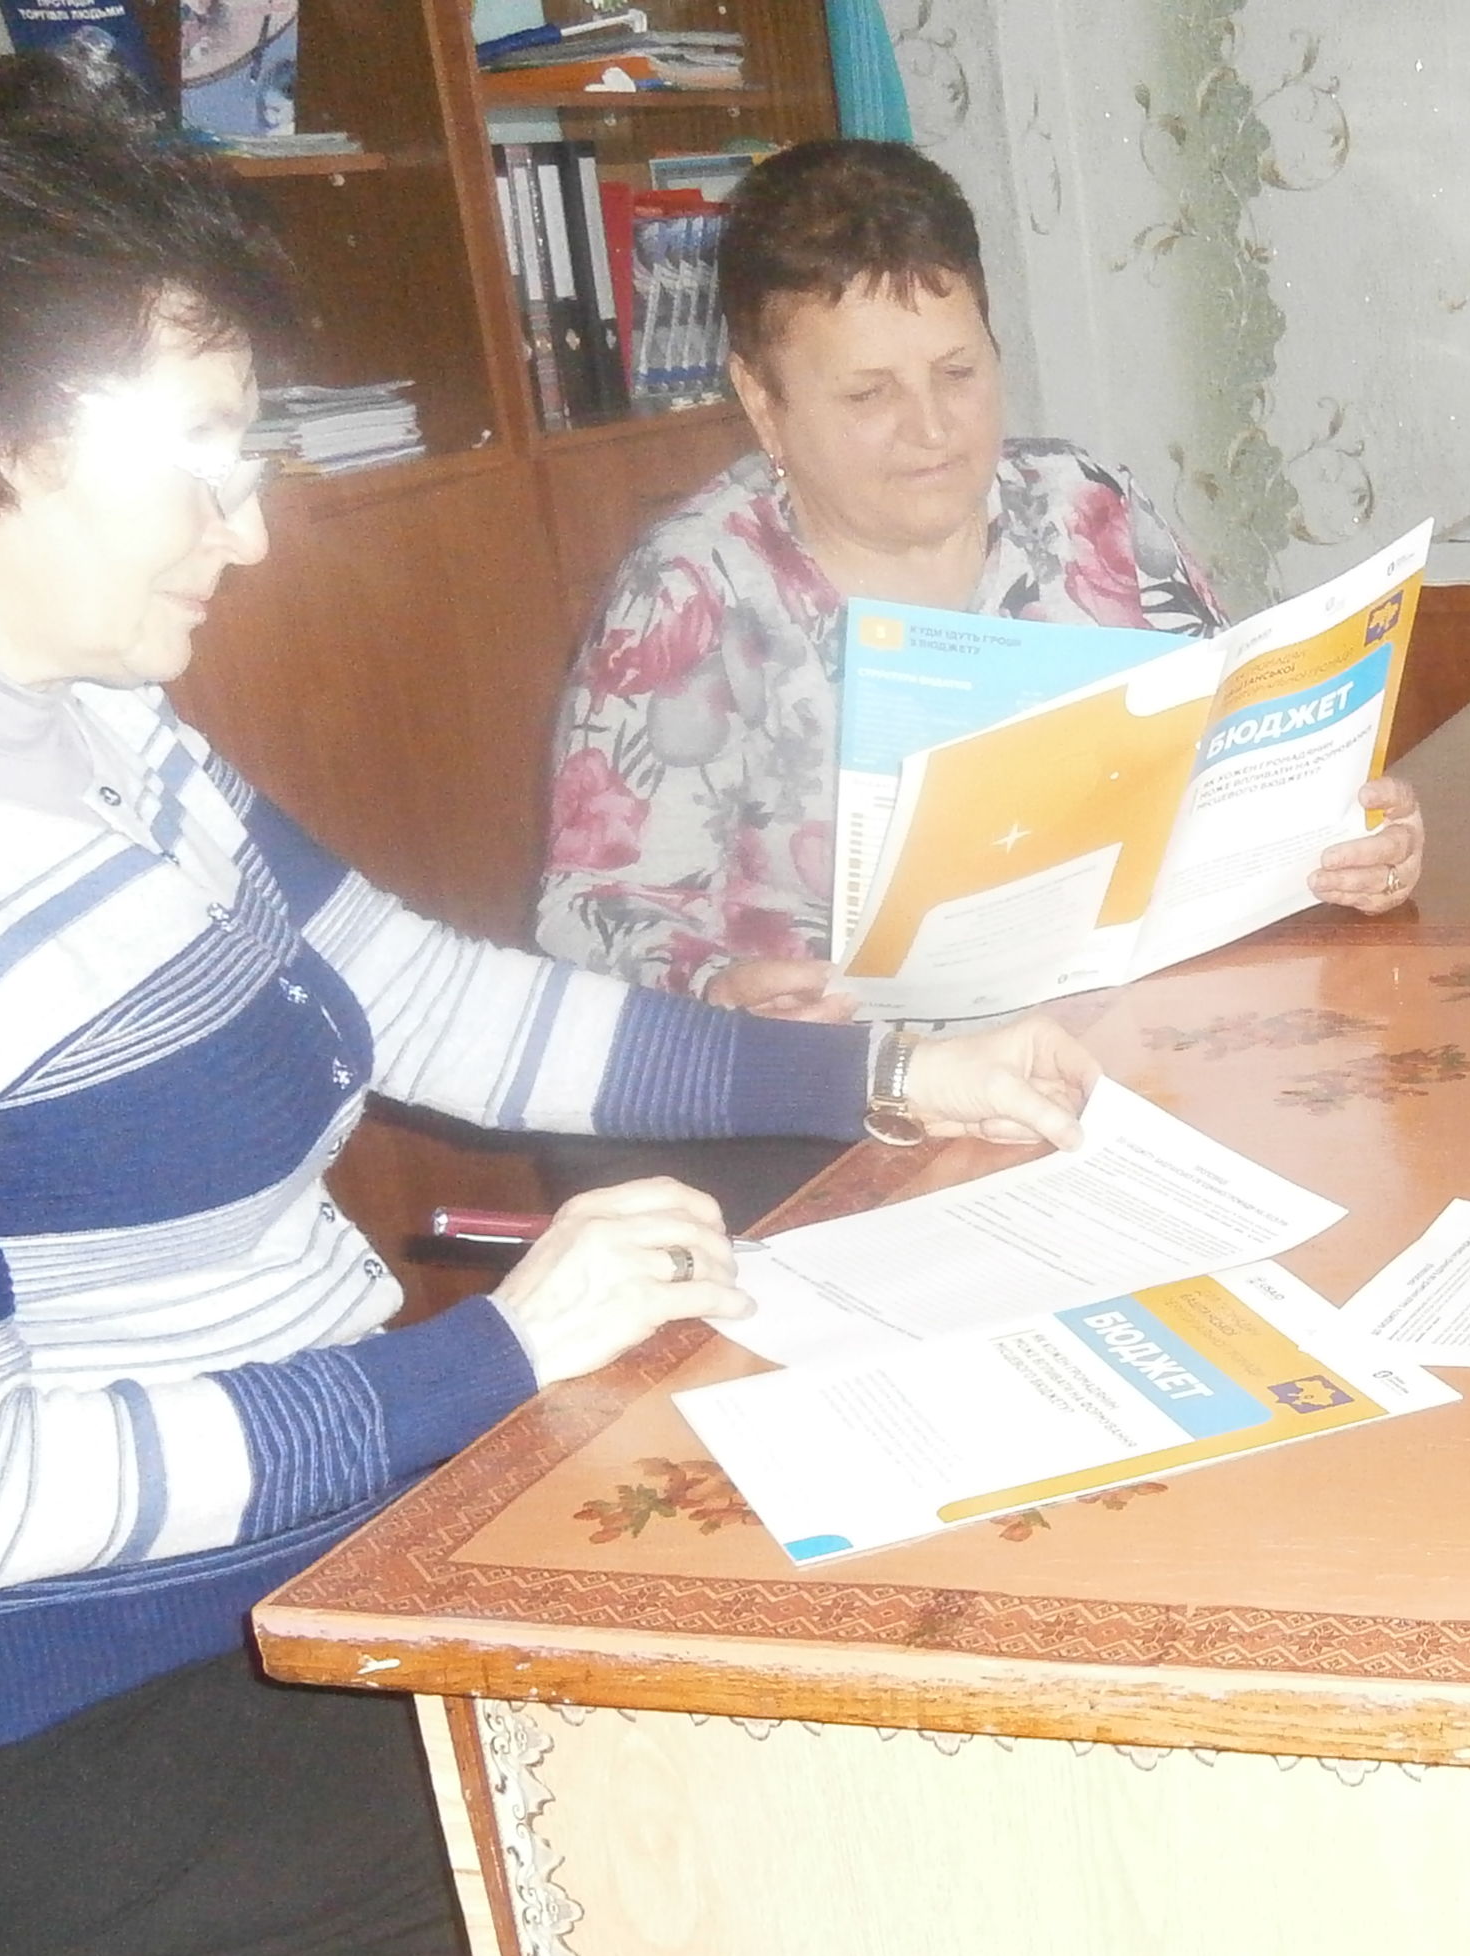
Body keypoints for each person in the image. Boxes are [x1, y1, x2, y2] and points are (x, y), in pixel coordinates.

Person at [0, 60, 1091, 1956]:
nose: (250, 527)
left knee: (840, 1558)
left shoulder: (64, 713)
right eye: (195, 458)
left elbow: (429, 997)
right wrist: (489, 1362)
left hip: (280, 1532)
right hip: (14, 1721)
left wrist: (881, 1067)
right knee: (731, 1765)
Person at [533, 140, 1423, 1218]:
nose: (932, 428)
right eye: (868, 393)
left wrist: (1345, 832)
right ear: (762, 404)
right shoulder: (692, 591)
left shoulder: (1086, 507)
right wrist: (713, 988)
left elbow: (1233, 753)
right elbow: (593, 914)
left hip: (1141, 1056)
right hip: (868, 1116)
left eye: (959, 372)